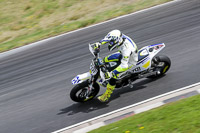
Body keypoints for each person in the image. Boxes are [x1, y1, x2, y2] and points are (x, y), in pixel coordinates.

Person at [93, 29, 138, 102]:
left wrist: (112, 73)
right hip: (121, 54)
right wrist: (99, 44)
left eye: (111, 42)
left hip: (130, 61)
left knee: (112, 78)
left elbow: (124, 66)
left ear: (117, 41)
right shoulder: (117, 35)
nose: (110, 43)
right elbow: (107, 39)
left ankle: (106, 96)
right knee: (105, 60)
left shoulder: (126, 49)